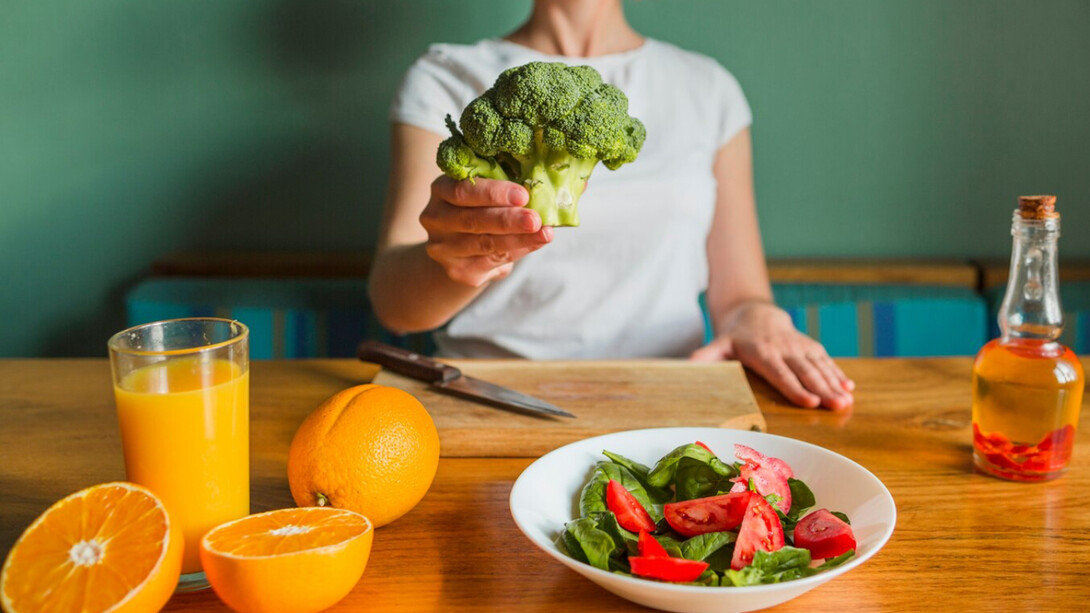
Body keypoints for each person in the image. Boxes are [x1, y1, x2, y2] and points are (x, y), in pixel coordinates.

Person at [369, 0, 854, 410]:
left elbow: (740, 296)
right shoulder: (443, 75)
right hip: (489, 397)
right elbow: (394, 303)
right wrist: (462, 259)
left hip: (663, 398)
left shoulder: (708, 88)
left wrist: (760, 320)